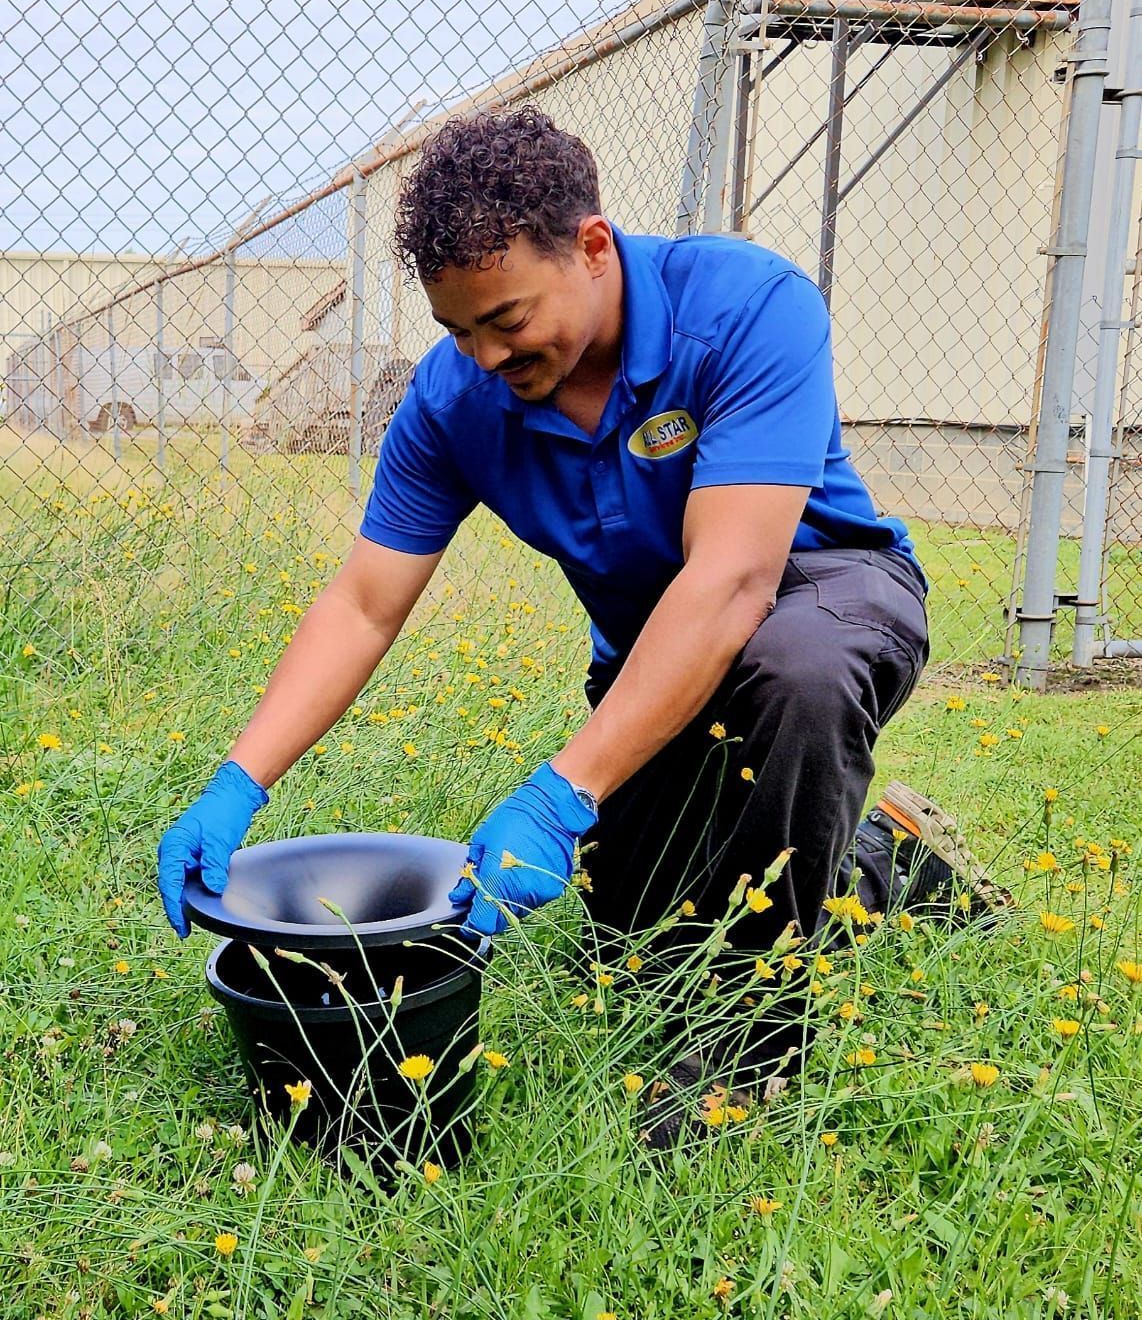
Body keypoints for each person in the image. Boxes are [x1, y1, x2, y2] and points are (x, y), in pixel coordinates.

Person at [158, 106, 1005, 1148]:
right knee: (636, 942)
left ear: (592, 248)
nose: (481, 353)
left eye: (504, 318)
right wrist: (241, 778)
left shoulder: (744, 308)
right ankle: (886, 856)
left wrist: (563, 794)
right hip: (651, 652)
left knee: (797, 672)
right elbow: (364, 602)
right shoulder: (453, 402)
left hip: (820, 587)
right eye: (455, 330)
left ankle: (741, 1066)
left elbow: (734, 580)